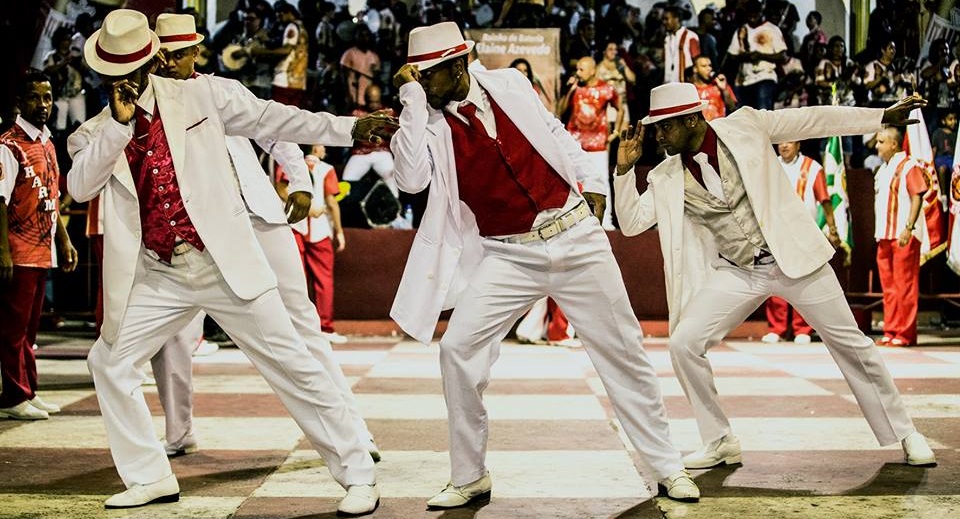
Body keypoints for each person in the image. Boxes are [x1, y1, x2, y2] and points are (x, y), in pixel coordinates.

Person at [66, 10, 394, 513]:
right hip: (161, 274)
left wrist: (352, 128)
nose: (130, 80)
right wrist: (118, 124)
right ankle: (150, 475)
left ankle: (358, 474)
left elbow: (277, 119)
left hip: (227, 262)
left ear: (150, 61)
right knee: (108, 362)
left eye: (135, 68)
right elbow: (80, 185)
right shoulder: (93, 132)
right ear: (106, 75)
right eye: (118, 73)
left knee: (294, 365)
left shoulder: (202, 94)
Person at [389, 21, 700, 509]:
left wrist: (589, 181)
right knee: (457, 349)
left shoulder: (510, 84)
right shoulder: (426, 122)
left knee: (624, 351)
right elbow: (409, 180)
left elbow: (554, 131)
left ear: (455, 66)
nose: (421, 83)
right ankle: (469, 474)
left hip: (575, 236)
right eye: (417, 77)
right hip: (508, 253)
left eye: (426, 75)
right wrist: (409, 99)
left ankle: (667, 466)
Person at [613, 82, 936, 473]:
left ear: (693, 119)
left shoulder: (745, 126)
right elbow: (630, 224)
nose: (658, 135)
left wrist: (879, 116)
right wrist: (624, 171)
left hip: (795, 260)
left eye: (665, 126)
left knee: (851, 343)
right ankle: (719, 440)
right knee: (684, 342)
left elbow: (813, 119)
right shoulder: (666, 176)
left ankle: (905, 433)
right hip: (739, 270)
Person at [148, 13, 379, 459]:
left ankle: (354, 430)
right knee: (174, 331)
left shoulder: (222, 90)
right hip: (197, 231)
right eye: (173, 53)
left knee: (303, 323)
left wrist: (302, 183)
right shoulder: (148, 103)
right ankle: (179, 431)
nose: (183, 59)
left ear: (198, 51)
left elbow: (277, 131)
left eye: (188, 51)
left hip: (260, 215)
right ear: (158, 56)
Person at [0, 71, 78, 420]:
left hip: (43, 248)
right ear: (20, 101)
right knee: (12, 329)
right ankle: (14, 396)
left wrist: (64, 239)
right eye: (35, 98)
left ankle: (29, 389)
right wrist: (3, 251)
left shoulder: (46, 142)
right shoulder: (8, 144)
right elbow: (0, 201)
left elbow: (53, 197)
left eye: (47, 98)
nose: (43, 105)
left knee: (31, 330)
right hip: (18, 250)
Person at [761, 140, 841, 345]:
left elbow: (824, 200)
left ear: (798, 144)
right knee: (776, 280)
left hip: (805, 232)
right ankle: (777, 328)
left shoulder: (813, 168)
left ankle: (802, 328)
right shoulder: (769, 165)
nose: (784, 146)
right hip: (776, 232)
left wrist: (832, 229)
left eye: (789, 142)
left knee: (804, 282)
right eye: (781, 143)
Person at [276, 144, 348, 345]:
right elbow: (332, 202)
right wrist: (339, 231)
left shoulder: (288, 164)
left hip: (294, 224)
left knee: (294, 278)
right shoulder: (326, 169)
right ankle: (324, 327)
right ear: (316, 148)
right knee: (322, 279)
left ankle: (297, 328)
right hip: (315, 226)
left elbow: (281, 189)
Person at [872, 126, 927, 347]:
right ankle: (891, 329)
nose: (877, 146)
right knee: (889, 288)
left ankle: (905, 333)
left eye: (881, 142)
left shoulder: (909, 166)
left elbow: (918, 195)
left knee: (905, 286)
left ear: (894, 144)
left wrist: (909, 226)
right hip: (884, 235)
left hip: (902, 235)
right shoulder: (883, 170)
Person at [559, 56, 623, 229]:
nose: (578, 73)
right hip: (574, 144)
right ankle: (574, 222)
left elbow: (620, 107)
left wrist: (616, 131)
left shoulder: (606, 89)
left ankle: (607, 221)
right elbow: (560, 111)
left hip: (597, 144)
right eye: (577, 69)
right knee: (573, 183)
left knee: (601, 181)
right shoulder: (575, 88)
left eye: (581, 69)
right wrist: (569, 90)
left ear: (592, 70)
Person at [724, 1, 787, 110]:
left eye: (755, 13)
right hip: (743, 81)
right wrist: (746, 56)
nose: (752, 17)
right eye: (749, 14)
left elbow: (782, 56)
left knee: (763, 113)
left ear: (761, 13)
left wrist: (760, 56)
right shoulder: (741, 30)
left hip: (765, 76)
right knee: (745, 116)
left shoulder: (772, 29)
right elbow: (732, 55)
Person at [342, 84, 398, 197]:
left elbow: (396, 135)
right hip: (361, 152)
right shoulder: (357, 113)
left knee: (392, 177)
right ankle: (346, 206)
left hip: (382, 151)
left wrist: (381, 133)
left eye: (376, 101)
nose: (373, 105)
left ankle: (394, 208)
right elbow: (348, 134)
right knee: (347, 178)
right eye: (371, 101)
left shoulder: (388, 112)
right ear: (366, 100)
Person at [689, 55, 735, 121]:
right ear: (695, 69)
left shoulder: (719, 84)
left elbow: (732, 107)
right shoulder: (691, 89)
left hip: (719, 127)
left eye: (710, 65)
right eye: (704, 66)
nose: (709, 68)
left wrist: (724, 89)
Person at [662, 5, 700, 84]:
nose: (664, 22)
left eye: (666, 19)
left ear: (676, 19)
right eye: (663, 19)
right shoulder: (667, 38)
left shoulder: (691, 36)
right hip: (668, 83)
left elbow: (697, 61)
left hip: (684, 83)